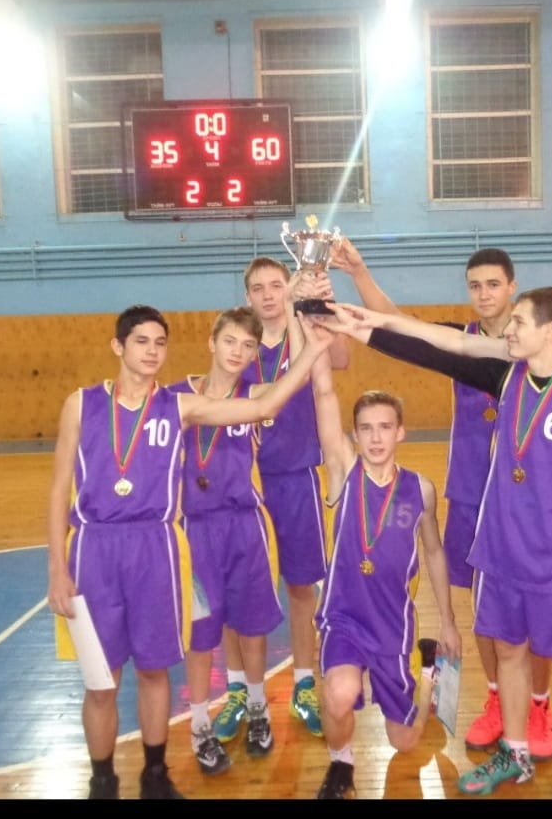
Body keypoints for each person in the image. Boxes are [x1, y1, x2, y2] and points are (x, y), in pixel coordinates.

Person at [317, 287, 552, 799]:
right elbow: (438, 351)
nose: (509, 330)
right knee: (508, 652)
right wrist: (366, 330)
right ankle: (515, 751)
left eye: (519, 322)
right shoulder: (506, 378)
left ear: (551, 329)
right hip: (501, 550)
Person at [46, 304, 329, 800]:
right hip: (94, 550)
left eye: (160, 343)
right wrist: (55, 567)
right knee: (101, 681)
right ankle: (102, 783)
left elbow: (262, 406)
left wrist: (315, 349)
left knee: (154, 669)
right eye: (141, 341)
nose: (152, 351)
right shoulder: (81, 404)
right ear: (117, 346)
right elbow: (57, 489)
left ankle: (155, 777)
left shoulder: (177, 406)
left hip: (155, 545)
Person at [330, 239, 552, 761]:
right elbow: (396, 325)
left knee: (528, 608)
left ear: (512, 287)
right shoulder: (460, 340)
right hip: (471, 493)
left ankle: (539, 705)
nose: (484, 293)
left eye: (493, 284)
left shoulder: (532, 347)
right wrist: (359, 272)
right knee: (486, 610)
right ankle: (498, 700)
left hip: (524, 499)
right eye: (475, 285)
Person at [299, 315, 462, 800]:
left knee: (404, 742)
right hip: (345, 618)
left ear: (401, 432)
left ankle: (428, 669)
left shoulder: (420, 490)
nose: (374, 438)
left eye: (385, 428)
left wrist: (449, 622)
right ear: (354, 435)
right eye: (365, 428)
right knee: (339, 694)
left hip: (394, 624)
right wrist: (317, 343)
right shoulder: (344, 473)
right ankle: (341, 765)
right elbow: (324, 396)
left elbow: (434, 552)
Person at [209, 256, 350, 746]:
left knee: (301, 586)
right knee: (232, 589)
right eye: (259, 288)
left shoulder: (304, 328)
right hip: (241, 481)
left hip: (294, 476)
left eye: (276, 285)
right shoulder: (239, 346)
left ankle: (304, 684)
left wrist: (318, 305)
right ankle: (237, 690)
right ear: (247, 295)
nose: (268, 294)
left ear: (287, 290)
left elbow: (340, 359)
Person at [168, 306, 287, 776]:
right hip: (195, 532)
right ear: (211, 342)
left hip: (244, 528)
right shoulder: (174, 398)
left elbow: (290, 387)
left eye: (249, 345)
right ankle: (200, 727)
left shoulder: (254, 395)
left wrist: (305, 329)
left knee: (252, 627)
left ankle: (258, 709)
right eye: (230, 341)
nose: (238, 352)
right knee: (200, 636)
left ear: (256, 353)